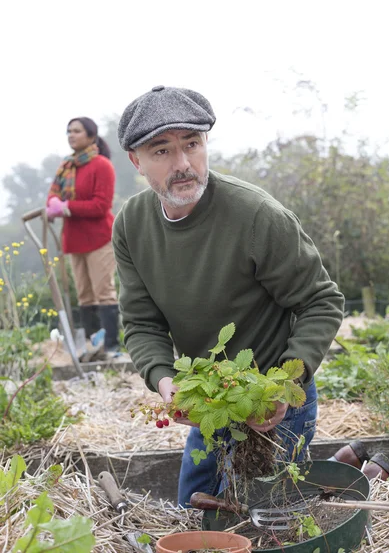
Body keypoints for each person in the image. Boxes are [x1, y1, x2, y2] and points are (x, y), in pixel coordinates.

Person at [113, 86, 344, 506]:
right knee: (194, 511)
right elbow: (141, 322)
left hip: (272, 402)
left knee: (266, 521)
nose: (183, 164)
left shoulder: (256, 215)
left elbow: (320, 302)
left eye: (192, 144)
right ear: (136, 160)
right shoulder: (132, 224)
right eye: (162, 151)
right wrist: (167, 383)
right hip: (210, 398)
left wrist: (284, 386)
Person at [46, 117, 120, 354]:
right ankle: (91, 345)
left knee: (103, 292)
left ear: (90, 135)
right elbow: (52, 198)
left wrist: (67, 207)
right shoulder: (66, 167)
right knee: (84, 296)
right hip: (74, 240)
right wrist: (55, 205)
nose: (71, 135)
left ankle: (111, 346)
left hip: (99, 239)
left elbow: (101, 205)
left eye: (76, 131)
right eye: (69, 131)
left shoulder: (102, 165)